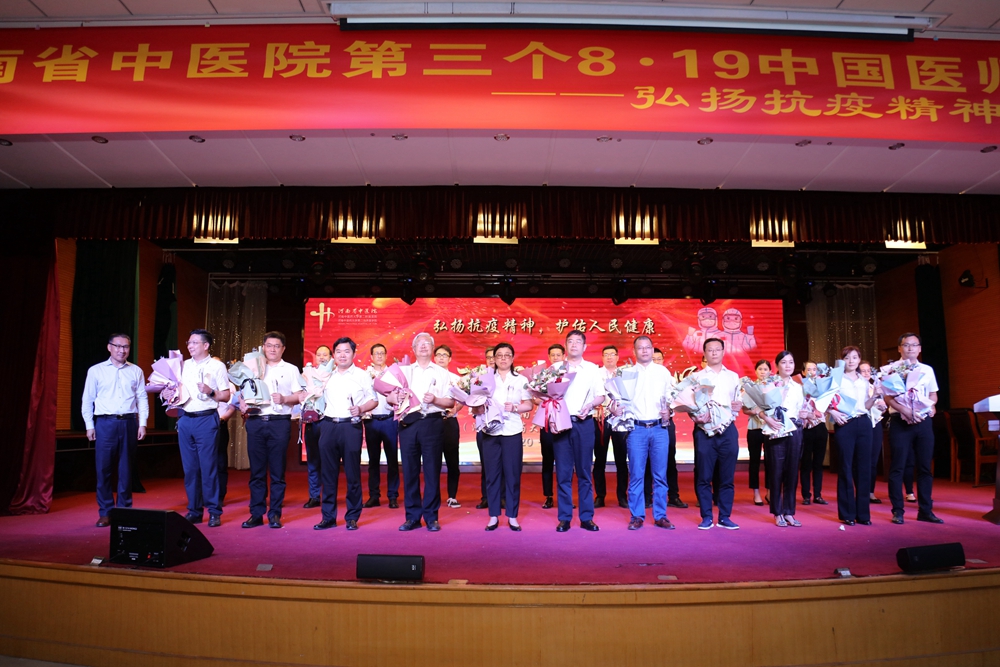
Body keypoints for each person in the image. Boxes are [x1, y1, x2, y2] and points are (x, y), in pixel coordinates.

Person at [81, 333, 149, 528]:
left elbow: (142, 398)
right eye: (118, 346)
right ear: (109, 347)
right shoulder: (96, 371)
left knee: (126, 469)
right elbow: (87, 399)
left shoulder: (136, 371)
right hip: (105, 423)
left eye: (126, 346)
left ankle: (124, 511)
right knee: (103, 469)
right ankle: (105, 512)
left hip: (129, 422)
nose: (122, 350)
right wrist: (89, 425)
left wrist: (143, 423)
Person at [389, 332, 454, 532]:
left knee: (432, 471)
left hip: (432, 423)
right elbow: (388, 397)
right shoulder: (404, 371)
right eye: (420, 344)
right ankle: (412, 517)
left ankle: (432, 517)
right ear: (413, 349)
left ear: (433, 348)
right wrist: (395, 398)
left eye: (427, 343)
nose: (423, 346)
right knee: (410, 471)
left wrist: (435, 400)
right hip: (408, 424)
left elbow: (451, 402)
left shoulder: (442, 373)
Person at [165, 329, 230, 527]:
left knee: (208, 467)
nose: (190, 346)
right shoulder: (182, 366)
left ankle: (214, 511)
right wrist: (168, 393)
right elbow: (174, 390)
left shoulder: (217, 366)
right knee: (190, 469)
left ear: (205, 345)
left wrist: (211, 392)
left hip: (206, 419)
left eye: (194, 342)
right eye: (189, 342)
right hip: (185, 419)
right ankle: (194, 510)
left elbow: (226, 395)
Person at [313, 337, 377, 530]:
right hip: (328, 425)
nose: (342, 355)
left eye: (347, 351)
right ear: (333, 354)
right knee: (328, 474)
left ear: (354, 354)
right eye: (338, 351)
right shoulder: (326, 375)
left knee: (352, 473)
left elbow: (373, 400)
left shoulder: (362, 375)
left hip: (351, 426)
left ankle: (352, 517)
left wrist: (361, 408)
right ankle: (328, 517)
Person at [240, 331, 302, 529]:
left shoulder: (291, 369)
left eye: (276, 346)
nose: (272, 349)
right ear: (263, 347)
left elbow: (300, 395)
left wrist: (284, 399)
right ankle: (256, 514)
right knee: (257, 472)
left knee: (277, 471)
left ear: (283, 349)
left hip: (279, 422)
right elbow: (242, 391)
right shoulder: (253, 367)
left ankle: (275, 514)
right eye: (269, 345)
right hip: (256, 421)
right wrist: (242, 402)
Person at [615, 335, 675, 530]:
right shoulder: (627, 373)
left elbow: (672, 397)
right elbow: (618, 400)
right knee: (636, 475)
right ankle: (637, 516)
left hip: (659, 428)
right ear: (634, 351)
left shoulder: (663, 372)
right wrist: (616, 408)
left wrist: (670, 410)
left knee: (660, 475)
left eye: (648, 347)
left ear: (652, 349)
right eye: (640, 348)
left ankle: (661, 515)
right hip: (636, 429)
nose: (644, 351)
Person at [886, 333, 943, 525]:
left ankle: (925, 510)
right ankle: (898, 511)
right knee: (898, 466)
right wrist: (904, 410)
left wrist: (928, 407)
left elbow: (933, 395)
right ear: (899, 348)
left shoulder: (927, 370)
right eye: (906, 345)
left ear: (919, 349)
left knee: (925, 467)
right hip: (900, 421)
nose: (910, 348)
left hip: (922, 420)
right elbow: (887, 397)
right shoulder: (891, 370)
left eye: (914, 345)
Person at [475, 342, 532, 531]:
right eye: (499, 355)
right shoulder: (485, 379)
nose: (503, 358)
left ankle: (512, 516)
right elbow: (476, 403)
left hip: (511, 431)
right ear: (494, 359)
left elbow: (529, 405)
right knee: (492, 475)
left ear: (513, 358)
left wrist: (515, 407)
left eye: (507, 355)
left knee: (512, 474)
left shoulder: (521, 379)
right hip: (490, 431)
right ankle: (493, 516)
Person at [552, 330, 605, 532]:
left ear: (584, 346)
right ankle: (565, 517)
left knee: (584, 472)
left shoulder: (592, 369)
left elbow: (601, 395)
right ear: (566, 345)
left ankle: (586, 517)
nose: (574, 345)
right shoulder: (555, 368)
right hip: (561, 424)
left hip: (584, 424)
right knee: (563, 473)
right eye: (570, 341)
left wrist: (590, 405)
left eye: (578, 342)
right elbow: (545, 395)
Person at [690, 338, 743, 530]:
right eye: (710, 350)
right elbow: (689, 404)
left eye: (717, 349)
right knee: (704, 476)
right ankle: (706, 517)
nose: (714, 353)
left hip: (728, 430)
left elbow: (737, 401)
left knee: (727, 477)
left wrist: (738, 405)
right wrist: (696, 417)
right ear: (704, 353)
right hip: (705, 431)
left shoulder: (733, 377)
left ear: (723, 351)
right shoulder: (696, 377)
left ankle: (724, 517)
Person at [826, 345, 878, 526]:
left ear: (859, 360)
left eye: (854, 357)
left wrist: (875, 396)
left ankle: (863, 514)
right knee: (846, 467)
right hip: (845, 424)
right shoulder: (836, 379)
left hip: (863, 423)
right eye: (847, 357)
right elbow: (823, 400)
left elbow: (866, 405)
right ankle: (847, 513)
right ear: (842, 360)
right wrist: (833, 412)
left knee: (864, 468)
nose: (851, 361)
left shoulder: (864, 381)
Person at [754, 351, 806, 527]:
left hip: (795, 429)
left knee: (792, 471)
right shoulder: (768, 384)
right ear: (776, 366)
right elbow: (757, 408)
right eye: (784, 362)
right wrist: (767, 418)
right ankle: (777, 512)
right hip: (775, 429)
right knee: (776, 471)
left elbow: (800, 408)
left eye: (791, 362)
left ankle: (789, 512)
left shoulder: (798, 386)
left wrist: (805, 414)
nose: (788, 365)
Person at [363, 343, 400, 509]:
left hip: (389, 420)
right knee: (373, 460)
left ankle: (392, 496)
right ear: (371, 357)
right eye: (376, 353)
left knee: (392, 459)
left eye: (382, 353)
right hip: (371, 421)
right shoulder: (365, 375)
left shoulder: (393, 373)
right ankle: (374, 496)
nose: (379, 356)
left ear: (386, 355)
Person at [593, 345, 628, 509]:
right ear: (602, 357)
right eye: (606, 354)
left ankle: (622, 496)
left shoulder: (625, 373)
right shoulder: (596, 374)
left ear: (617, 357)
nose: (609, 357)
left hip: (620, 418)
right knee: (599, 459)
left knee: (622, 459)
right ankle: (600, 496)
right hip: (601, 418)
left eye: (612, 354)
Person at [302, 344, 331, 509]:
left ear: (331, 357)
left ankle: (329, 495)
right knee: (313, 460)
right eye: (319, 354)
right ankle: (314, 496)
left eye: (325, 355)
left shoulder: (336, 374)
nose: (322, 357)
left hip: (329, 422)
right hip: (312, 422)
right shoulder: (307, 373)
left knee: (329, 461)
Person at [434, 344, 463, 509]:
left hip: (450, 422)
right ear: (434, 358)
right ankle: (434, 496)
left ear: (450, 359)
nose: (441, 357)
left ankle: (452, 496)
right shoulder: (428, 377)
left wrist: (455, 410)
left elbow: (464, 399)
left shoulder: (456, 379)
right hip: (432, 422)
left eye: (444, 355)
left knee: (452, 461)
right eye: (438, 355)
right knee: (433, 462)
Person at [537, 343, 564, 509]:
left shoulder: (569, 375)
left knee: (565, 462)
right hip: (547, 422)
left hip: (564, 423)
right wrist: (544, 399)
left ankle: (565, 496)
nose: (555, 357)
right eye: (552, 355)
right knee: (547, 460)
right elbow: (534, 397)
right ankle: (548, 496)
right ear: (548, 357)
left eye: (558, 354)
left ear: (563, 356)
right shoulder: (542, 376)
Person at [799, 360, 829, 506]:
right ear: (803, 372)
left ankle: (818, 494)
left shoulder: (823, 387)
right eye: (809, 369)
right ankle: (806, 495)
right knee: (805, 463)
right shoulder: (799, 387)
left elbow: (828, 406)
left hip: (820, 427)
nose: (812, 372)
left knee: (818, 463)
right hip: (805, 428)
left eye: (814, 369)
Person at [741, 359, 771, 506]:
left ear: (770, 371)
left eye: (765, 369)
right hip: (754, 428)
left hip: (770, 428)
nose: (763, 372)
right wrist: (754, 411)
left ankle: (770, 491)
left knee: (771, 461)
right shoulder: (750, 387)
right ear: (756, 371)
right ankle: (756, 492)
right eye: (760, 369)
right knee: (754, 461)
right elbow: (744, 409)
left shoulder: (774, 387)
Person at [859, 361, 888, 506]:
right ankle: (860, 491)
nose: (866, 373)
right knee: (861, 460)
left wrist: (883, 407)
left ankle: (870, 492)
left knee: (873, 460)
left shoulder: (874, 387)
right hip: (862, 424)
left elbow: (883, 406)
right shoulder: (857, 387)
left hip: (875, 424)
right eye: (863, 371)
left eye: (868, 371)